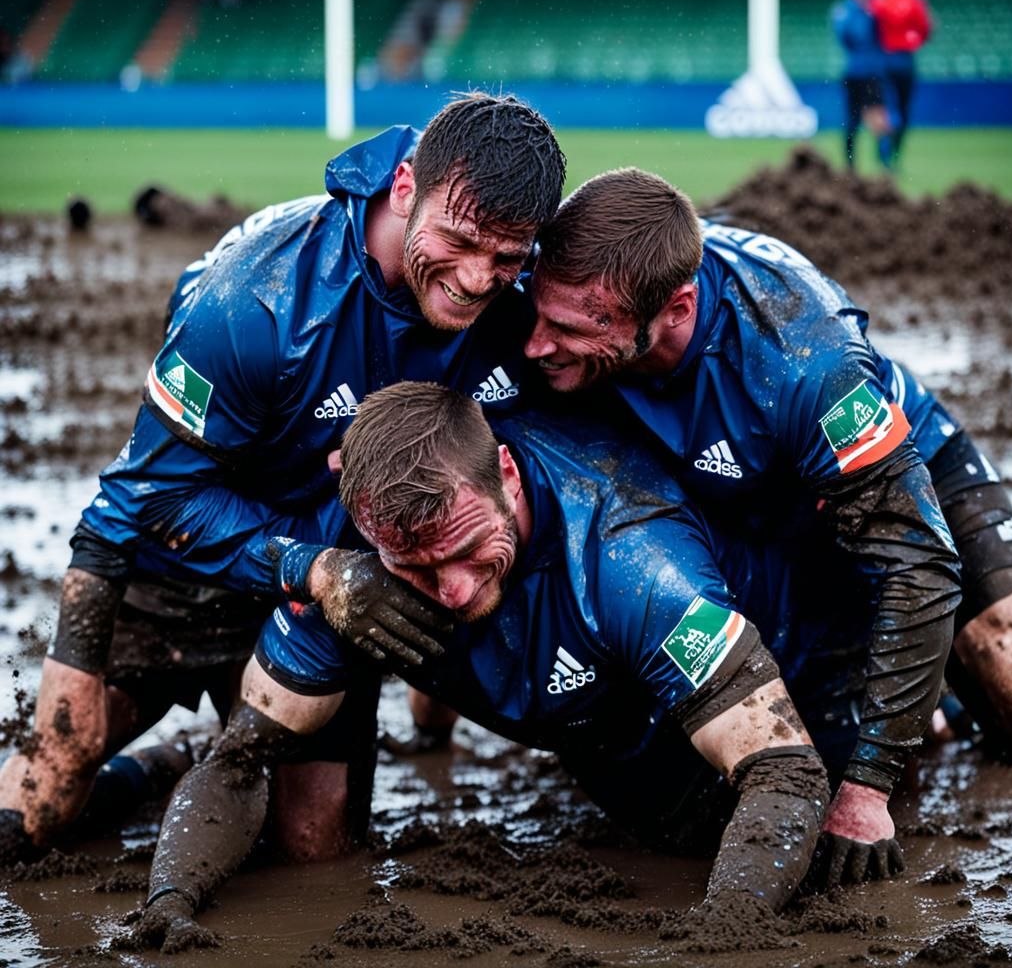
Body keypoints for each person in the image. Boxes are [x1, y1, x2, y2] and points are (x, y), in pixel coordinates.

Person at [0, 93, 566, 869]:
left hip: (338, 605)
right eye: (459, 241)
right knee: (36, 810)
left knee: (313, 851)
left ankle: (273, 743)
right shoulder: (256, 303)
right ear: (405, 187)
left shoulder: (524, 298)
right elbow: (142, 497)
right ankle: (163, 769)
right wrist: (74, 666)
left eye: (504, 258)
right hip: (187, 574)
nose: (475, 280)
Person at [128, 382, 833, 951]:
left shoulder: (632, 563)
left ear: (506, 474)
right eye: (418, 569)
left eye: (470, 550)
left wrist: (722, 934)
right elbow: (239, 759)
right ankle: (147, 769)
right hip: (591, 742)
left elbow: (787, 770)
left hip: (782, 698)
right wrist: (168, 903)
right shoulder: (354, 569)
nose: (456, 590)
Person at [521, 168, 1012, 883]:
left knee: (1011, 676)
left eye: (569, 329)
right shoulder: (567, 292)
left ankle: (939, 687)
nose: (535, 345)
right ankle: (927, 705)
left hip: (896, 469)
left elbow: (916, 565)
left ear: (676, 307)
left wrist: (869, 788)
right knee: (808, 744)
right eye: (538, 316)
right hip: (762, 518)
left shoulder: (803, 361)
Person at [870, 0, 931, 167]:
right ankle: (892, 154)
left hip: (887, 59)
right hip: (904, 59)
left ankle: (887, 154)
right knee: (900, 112)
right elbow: (924, 28)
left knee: (890, 110)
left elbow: (870, 27)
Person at [831, 0, 890, 169]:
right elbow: (848, 37)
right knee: (855, 120)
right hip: (860, 73)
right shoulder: (854, 13)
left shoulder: (869, 12)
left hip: (867, 73)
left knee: (875, 119)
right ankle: (852, 163)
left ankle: (882, 161)